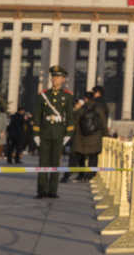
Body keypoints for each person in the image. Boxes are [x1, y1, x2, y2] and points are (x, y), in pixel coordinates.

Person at [33, 65, 75, 199]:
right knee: (43, 162)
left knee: (55, 162)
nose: (55, 79)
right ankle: (41, 190)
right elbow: (37, 115)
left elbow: (69, 116)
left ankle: (52, 190)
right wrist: (36, 134)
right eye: (54, 77)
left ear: (63, 80)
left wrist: (68, 134)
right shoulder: (43, 95)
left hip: (59, 133)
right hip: (45, 132)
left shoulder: (67, 96)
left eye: (58, 77)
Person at [74, 87, 108, 181]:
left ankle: (82, 174)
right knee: (93, 157)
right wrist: (105, 134)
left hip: (83, 137)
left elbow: (75, 118)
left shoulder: (83, 108)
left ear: (85, 99)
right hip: (95, 136)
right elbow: (103, 122)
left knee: (82, 156)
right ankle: (91, 175)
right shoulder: (99, 107)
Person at [60, 94, 87, 183]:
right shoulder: (81, 112)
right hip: (81, 139)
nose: (75, 105)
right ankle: (82, 175)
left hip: (78, 139)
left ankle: (66, 176)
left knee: (74, 159)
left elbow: (72, 123)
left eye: (77, 104)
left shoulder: (79, 113)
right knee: (81, 159)